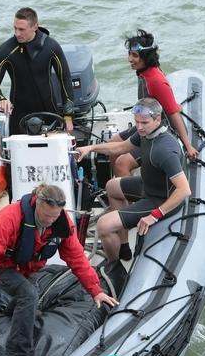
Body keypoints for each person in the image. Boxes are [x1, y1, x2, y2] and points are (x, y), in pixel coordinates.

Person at [0, 183, 118, 356]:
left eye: (55, 217)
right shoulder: (10, 217)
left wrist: (95, 291)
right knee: (29, 294)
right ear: (36, 204)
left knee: (30, 293)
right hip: (2, 267)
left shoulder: (63, 224)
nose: (50, 221)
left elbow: (77, 258)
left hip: (27, 269)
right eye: (46, 216)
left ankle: (12, 313)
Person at [76, 98, 192, 262]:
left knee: (104, 225)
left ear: (158, 119)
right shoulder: (146, 133)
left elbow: (184, 190)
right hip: (148, 186)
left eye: (144, 122)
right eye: (136, 122)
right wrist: (91, 148)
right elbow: (120, 147)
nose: (139, 127)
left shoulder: (164, 149)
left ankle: (115, 269)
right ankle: (123, 246)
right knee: (111, 186)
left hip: (159, 200)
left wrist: (155, 215)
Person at [108, 29, 199, 177]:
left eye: (135, 55)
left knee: (121, 163)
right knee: (113, 143)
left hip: (159, 132)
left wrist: (188, 146)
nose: (130, 59)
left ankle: (130, 196)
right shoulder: (144, 72)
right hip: (145, 125)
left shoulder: (155, 80)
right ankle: (117, 189)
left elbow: (173, 115)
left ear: (146, 57)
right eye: (129, 54)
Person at [0, 7, 75, 135]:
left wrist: (68, 117)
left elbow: (65, 80)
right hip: (19, 116)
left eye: (21, 29)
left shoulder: (51, 47)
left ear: (35, 27)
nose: (17, 33)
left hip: (49, 113)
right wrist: (1, 99)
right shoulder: (6, 50)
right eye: (15, 28)